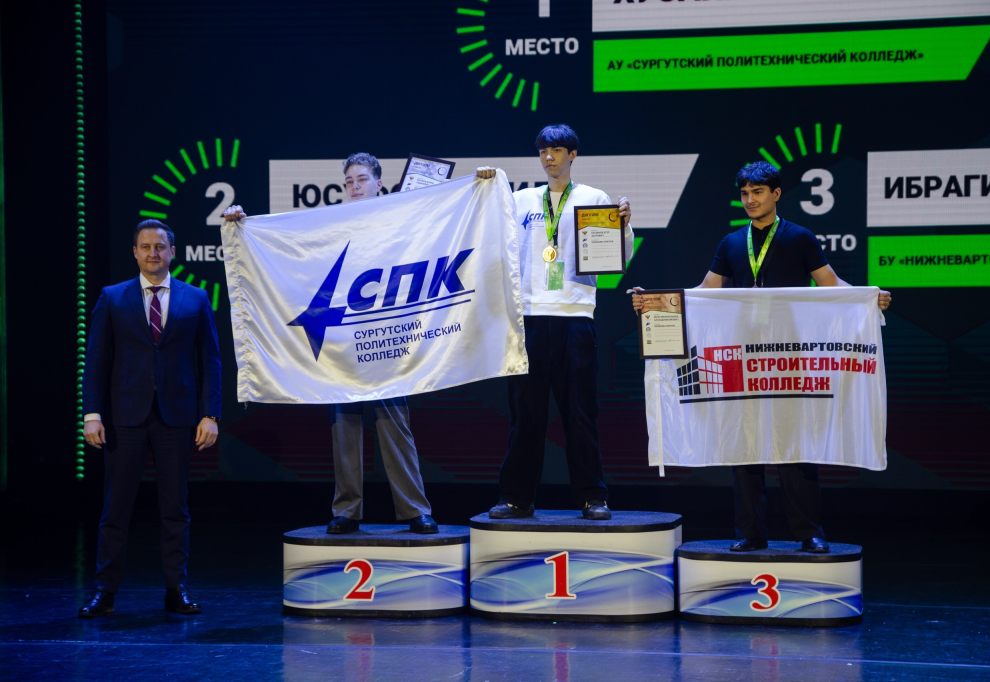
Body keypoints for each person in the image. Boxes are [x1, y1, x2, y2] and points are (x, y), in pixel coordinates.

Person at [633, 160, 892, 553]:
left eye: (757, 192)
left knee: (796, 444)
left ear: (776, 194)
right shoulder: (731, 243)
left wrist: (870, 298)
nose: (750, 200)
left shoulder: (800, 237)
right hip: (744, 355)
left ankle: (808, 532)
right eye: (744, 193)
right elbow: (704, 292)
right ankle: (751, 533)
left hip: (789, 355)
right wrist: (654, 303)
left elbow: (831, 285)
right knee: (745, 445)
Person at [223, 152, 438, 535]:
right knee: (344, 428)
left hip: (384, 340)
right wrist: (242, 223)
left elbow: (439, 227)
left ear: (379, 183)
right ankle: (347, 511)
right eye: (349, 182)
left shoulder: (399, 221)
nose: (354, 187)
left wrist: (479, 185)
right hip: (341, 343)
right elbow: (286, 245)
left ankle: (414, 510)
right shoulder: (330, 224)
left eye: (361, 179)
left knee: (395, 427)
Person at [477, 124, 634, 520]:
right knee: (525, 415)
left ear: (573, 155)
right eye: (544, 150)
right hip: (529, 318)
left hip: (574, 316)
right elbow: (485, 223)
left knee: (580, 413)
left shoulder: (593, 199)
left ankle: (592, 497)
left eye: (558, 150)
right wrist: (482, 185)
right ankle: (516, 498)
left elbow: (618, 259)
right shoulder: (521, 200)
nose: (549, 157)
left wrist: (623, 225)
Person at [79, 219, 221, 618]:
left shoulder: (196, 298)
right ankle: (104, 592)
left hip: (177, 418)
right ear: (135, 253)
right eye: (145, 247)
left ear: (172, 252)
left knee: (175, 509)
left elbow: (210, 361)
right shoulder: (113, 298)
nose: (153, 253)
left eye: (160, 246)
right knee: (116, 509)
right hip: (125, 418)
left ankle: (177, 590)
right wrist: (92, 414)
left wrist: (210, 413)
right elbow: (96, 361)